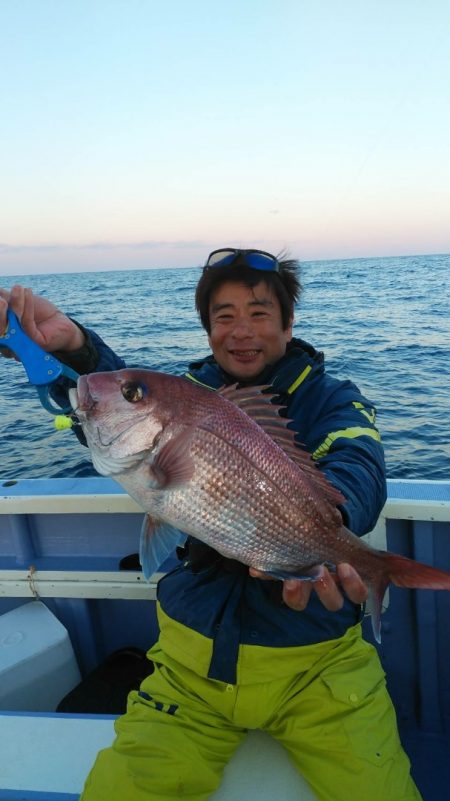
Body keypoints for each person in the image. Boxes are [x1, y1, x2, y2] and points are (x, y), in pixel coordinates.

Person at [0, 249, 421, 801]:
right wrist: (74, 346)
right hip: (188, 668)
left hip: (318, 670)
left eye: (259, 313)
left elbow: (358, 461)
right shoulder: (185, 395)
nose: (241, 330)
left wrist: (321, 530)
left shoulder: (336, 399)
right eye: (224, 316)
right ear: (207, 329)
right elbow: (113, 413)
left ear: (288, 323)